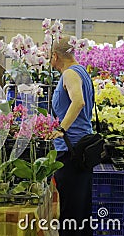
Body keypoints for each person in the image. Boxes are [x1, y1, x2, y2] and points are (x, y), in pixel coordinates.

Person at [46, 36, 94, 236]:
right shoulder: (82, 72)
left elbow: (78, 102)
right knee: (80, 210)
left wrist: (62, 129)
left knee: (71, 211)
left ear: (55, 56)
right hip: (81, 149)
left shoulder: (70, 74)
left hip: (72, 150)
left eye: (49, 57)